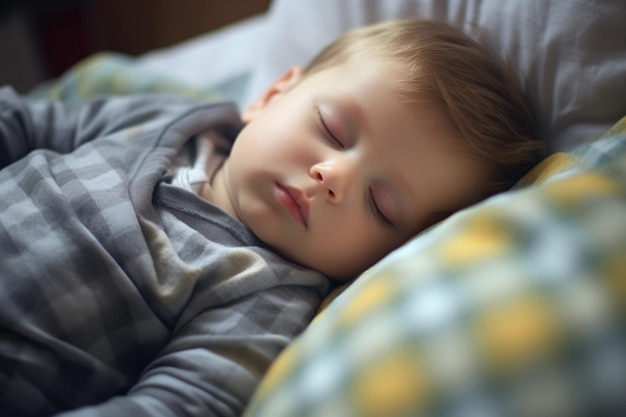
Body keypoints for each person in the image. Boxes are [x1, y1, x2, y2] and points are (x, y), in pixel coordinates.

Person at [0, 19, 543, 417]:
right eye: (332, 129)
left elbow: (180, 405)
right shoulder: (170, 120)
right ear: (272, 94)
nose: (334, 176)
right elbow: (22, 122)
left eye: (381, 206)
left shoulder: (265, 296)